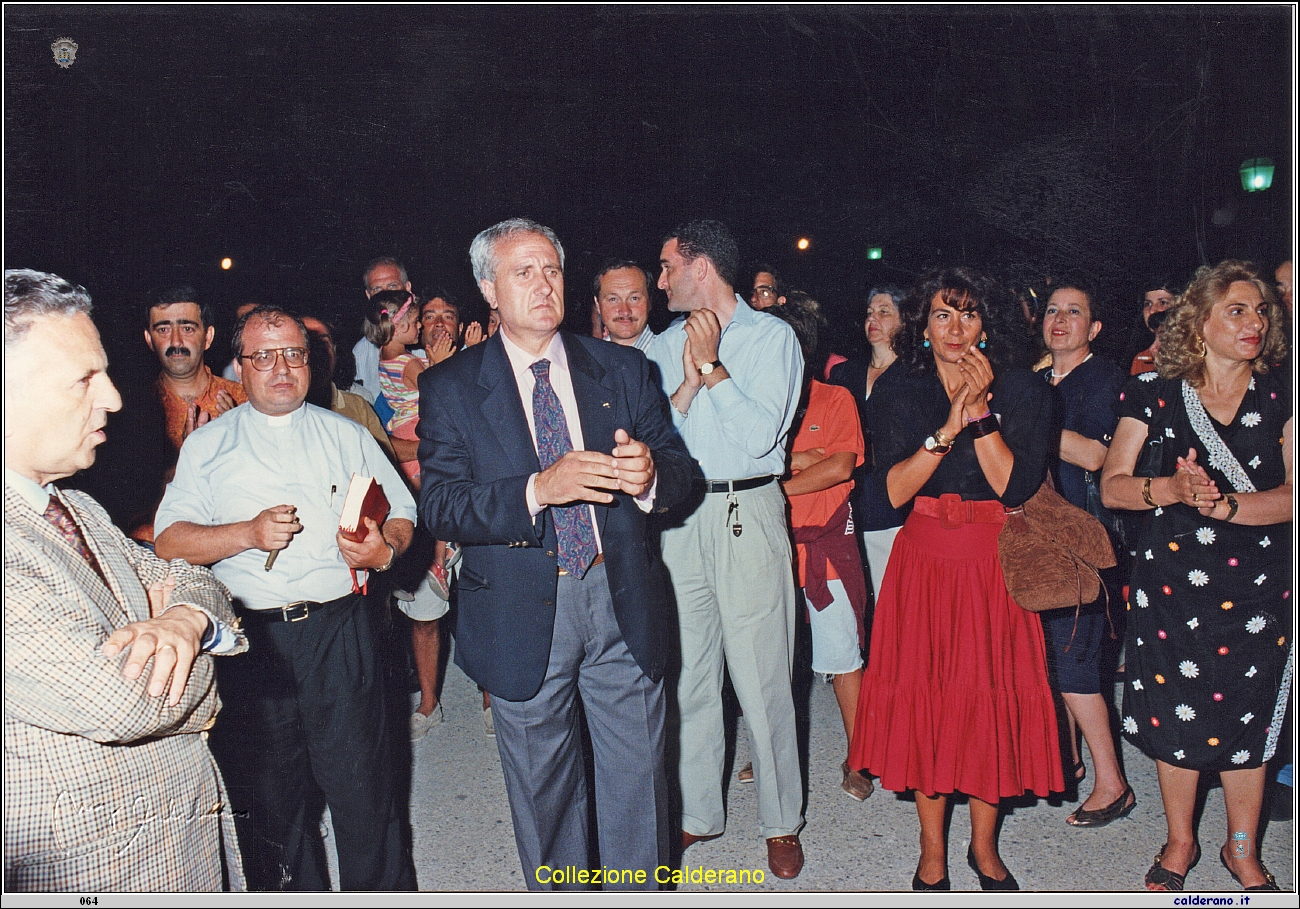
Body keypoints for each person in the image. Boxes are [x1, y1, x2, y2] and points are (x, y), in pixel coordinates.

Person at [417, 218, 697, 889]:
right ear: (489, 287)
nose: (543, 285)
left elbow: (684, 473)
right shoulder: (452, 387)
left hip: (619, 593)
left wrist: (651, 474)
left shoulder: (625, 368)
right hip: (520, 608)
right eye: (523, 272)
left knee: (638, 782)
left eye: (551, 270)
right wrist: (538, 489)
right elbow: (442, 506)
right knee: (546, 795)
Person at [154, 304, 418, 891]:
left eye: (294, 354)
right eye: (264, 356)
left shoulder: (345, 434)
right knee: (274, 802)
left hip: (339, 630)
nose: (281, 367)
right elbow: (171, 540)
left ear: (311, 363)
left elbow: (402, 512)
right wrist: (243, 534)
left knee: (365, 793)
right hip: (254, 642)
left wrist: (385, 551)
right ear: (240, 368)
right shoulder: (208, 447)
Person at [4, 269, 246, 891]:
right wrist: (200, 643)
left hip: (169, 838)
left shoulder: (75, 507)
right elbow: (126, 701)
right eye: (85, 379)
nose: (111, 398)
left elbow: (185, 576)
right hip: (96, 865)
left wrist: (185, 618)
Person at [850, 266, 1061, 891]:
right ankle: (932, 852)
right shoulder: (898, 391)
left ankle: (985, 850)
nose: (956, 328)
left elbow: (1015, 487)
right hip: (924, 564)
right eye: (943, 314)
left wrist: (981, 417)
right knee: (931, 706)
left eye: (968, 315)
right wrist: (945, 429)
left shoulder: (1025, 391)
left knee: (989, 702)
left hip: (994, 562)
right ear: (924, 324)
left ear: (987, 325)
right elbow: (885, 496)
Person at [1100, 260, 1291, 892]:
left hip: (1261, 586)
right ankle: (1180, 841)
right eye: (1237, 310)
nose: (1255, 322)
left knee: (1248, 715)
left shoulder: (1283, 393)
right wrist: (1173, 488)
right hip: (1174, 584)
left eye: (1261, 310)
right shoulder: (1151, 391)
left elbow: (1295, 495)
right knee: (1175, 716)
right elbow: (1115, 488)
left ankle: (1242, 848)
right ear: (1199, 322)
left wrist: (1227, 505)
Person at [647, 220, 807, 879]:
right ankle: (697, 813)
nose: (659, 281)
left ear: (699, 265)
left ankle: (780, 820)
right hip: (682, 517)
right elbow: (660, 437)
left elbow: (760, 435)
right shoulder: (662, 344)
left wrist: (713, 369)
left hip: (748, 508)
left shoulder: (772, 338)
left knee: (763, 674)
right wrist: (686, 380)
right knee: (689, 674)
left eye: (665, 267)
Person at [1036, 282, 1135, 826]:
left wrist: (1025, 427)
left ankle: (1113, 784)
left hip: (1085, 539)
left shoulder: (1104, 379)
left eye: (1074, 312)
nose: (1060, 319)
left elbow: (1096, 454)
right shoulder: (1033, 380)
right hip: (1037, 538)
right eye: (1052, 310)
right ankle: (1068, 762)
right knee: (1049, 657)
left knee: (1075, 663)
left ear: (1093, 329)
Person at [767, 298, 873, 802]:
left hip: (826, 544)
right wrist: (799, 458)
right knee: (771, 661)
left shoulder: (834, 399)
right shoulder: (758, 405)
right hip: (772, 547)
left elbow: (840, 467)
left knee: (841, 655)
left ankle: (860, 755)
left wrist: (778, 479)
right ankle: (768, 756)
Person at [829, 285, 907, 606]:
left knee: (892, 603)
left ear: (904, 321)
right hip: (846, 507)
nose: (873, 319)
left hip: (893, 510)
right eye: (869, 313)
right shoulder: (844, 373)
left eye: (884, 312)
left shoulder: (916, 377)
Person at [352, 256, 413, 402]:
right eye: (377, 289)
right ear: (368, 295)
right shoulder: (361, 352)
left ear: (408, 288)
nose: (385, 295)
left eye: (392, 286)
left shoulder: (429, 337)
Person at [594, 259, 656, 350]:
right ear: (598, 305)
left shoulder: (672, 354)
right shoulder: (587, 357)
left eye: (634, 298)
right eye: (613, 299)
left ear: (649, 301)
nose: (625, 311)